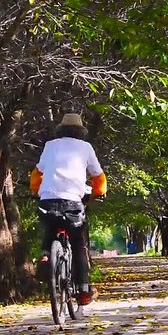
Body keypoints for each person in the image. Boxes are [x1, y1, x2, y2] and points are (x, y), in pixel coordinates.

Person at [30, 113, 106, 305]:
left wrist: (37, 191)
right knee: (78, 244)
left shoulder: (50, 145)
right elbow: (98, 176)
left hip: (48, 200)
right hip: (73, 202)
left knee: (50, 228)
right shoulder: (86, 147)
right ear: (81, 131)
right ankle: (83, 290)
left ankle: (46, 256)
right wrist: (98, 193)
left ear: (61, 129)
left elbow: (38, 172)